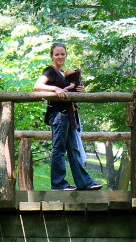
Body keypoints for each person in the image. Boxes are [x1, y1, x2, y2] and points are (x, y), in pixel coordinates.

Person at [33, 43, 102, 191]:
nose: (60, 57)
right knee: (58, 149)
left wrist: (80, 90)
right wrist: (55, 88)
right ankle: (58, 184)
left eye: (62, 54)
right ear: (51, 55)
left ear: (66, 55)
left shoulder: (64, 74)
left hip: (69, 116)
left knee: (74, 149)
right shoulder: (50, 71)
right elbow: (37, 86)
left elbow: (69, 93)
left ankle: (84, 183)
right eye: (57, 54)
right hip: (58, 115)